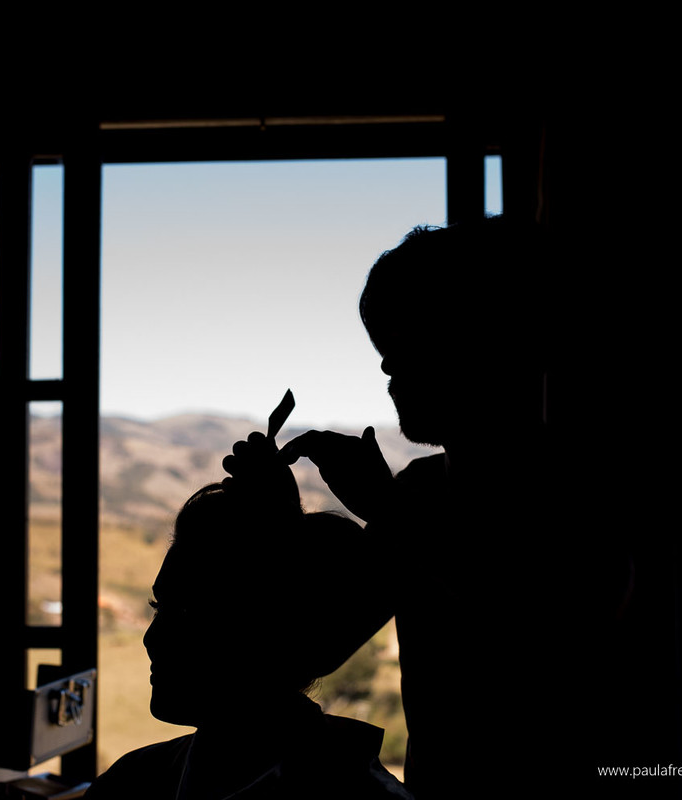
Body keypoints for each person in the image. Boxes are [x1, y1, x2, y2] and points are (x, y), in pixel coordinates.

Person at [224, 218, 632, 798]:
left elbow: (554, 633)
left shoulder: (589, 485)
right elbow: (310, 649)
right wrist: (274, 528)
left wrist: (386, 510)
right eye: (385, 350)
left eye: (410, 346)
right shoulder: (418, 490)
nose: (388, 371)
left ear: (499, 343)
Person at [84, 481, 413, 800]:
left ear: (273, 630)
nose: (151, 638)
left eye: (188, 613)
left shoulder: (135, 783)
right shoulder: (132, 781)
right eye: (158, 609)